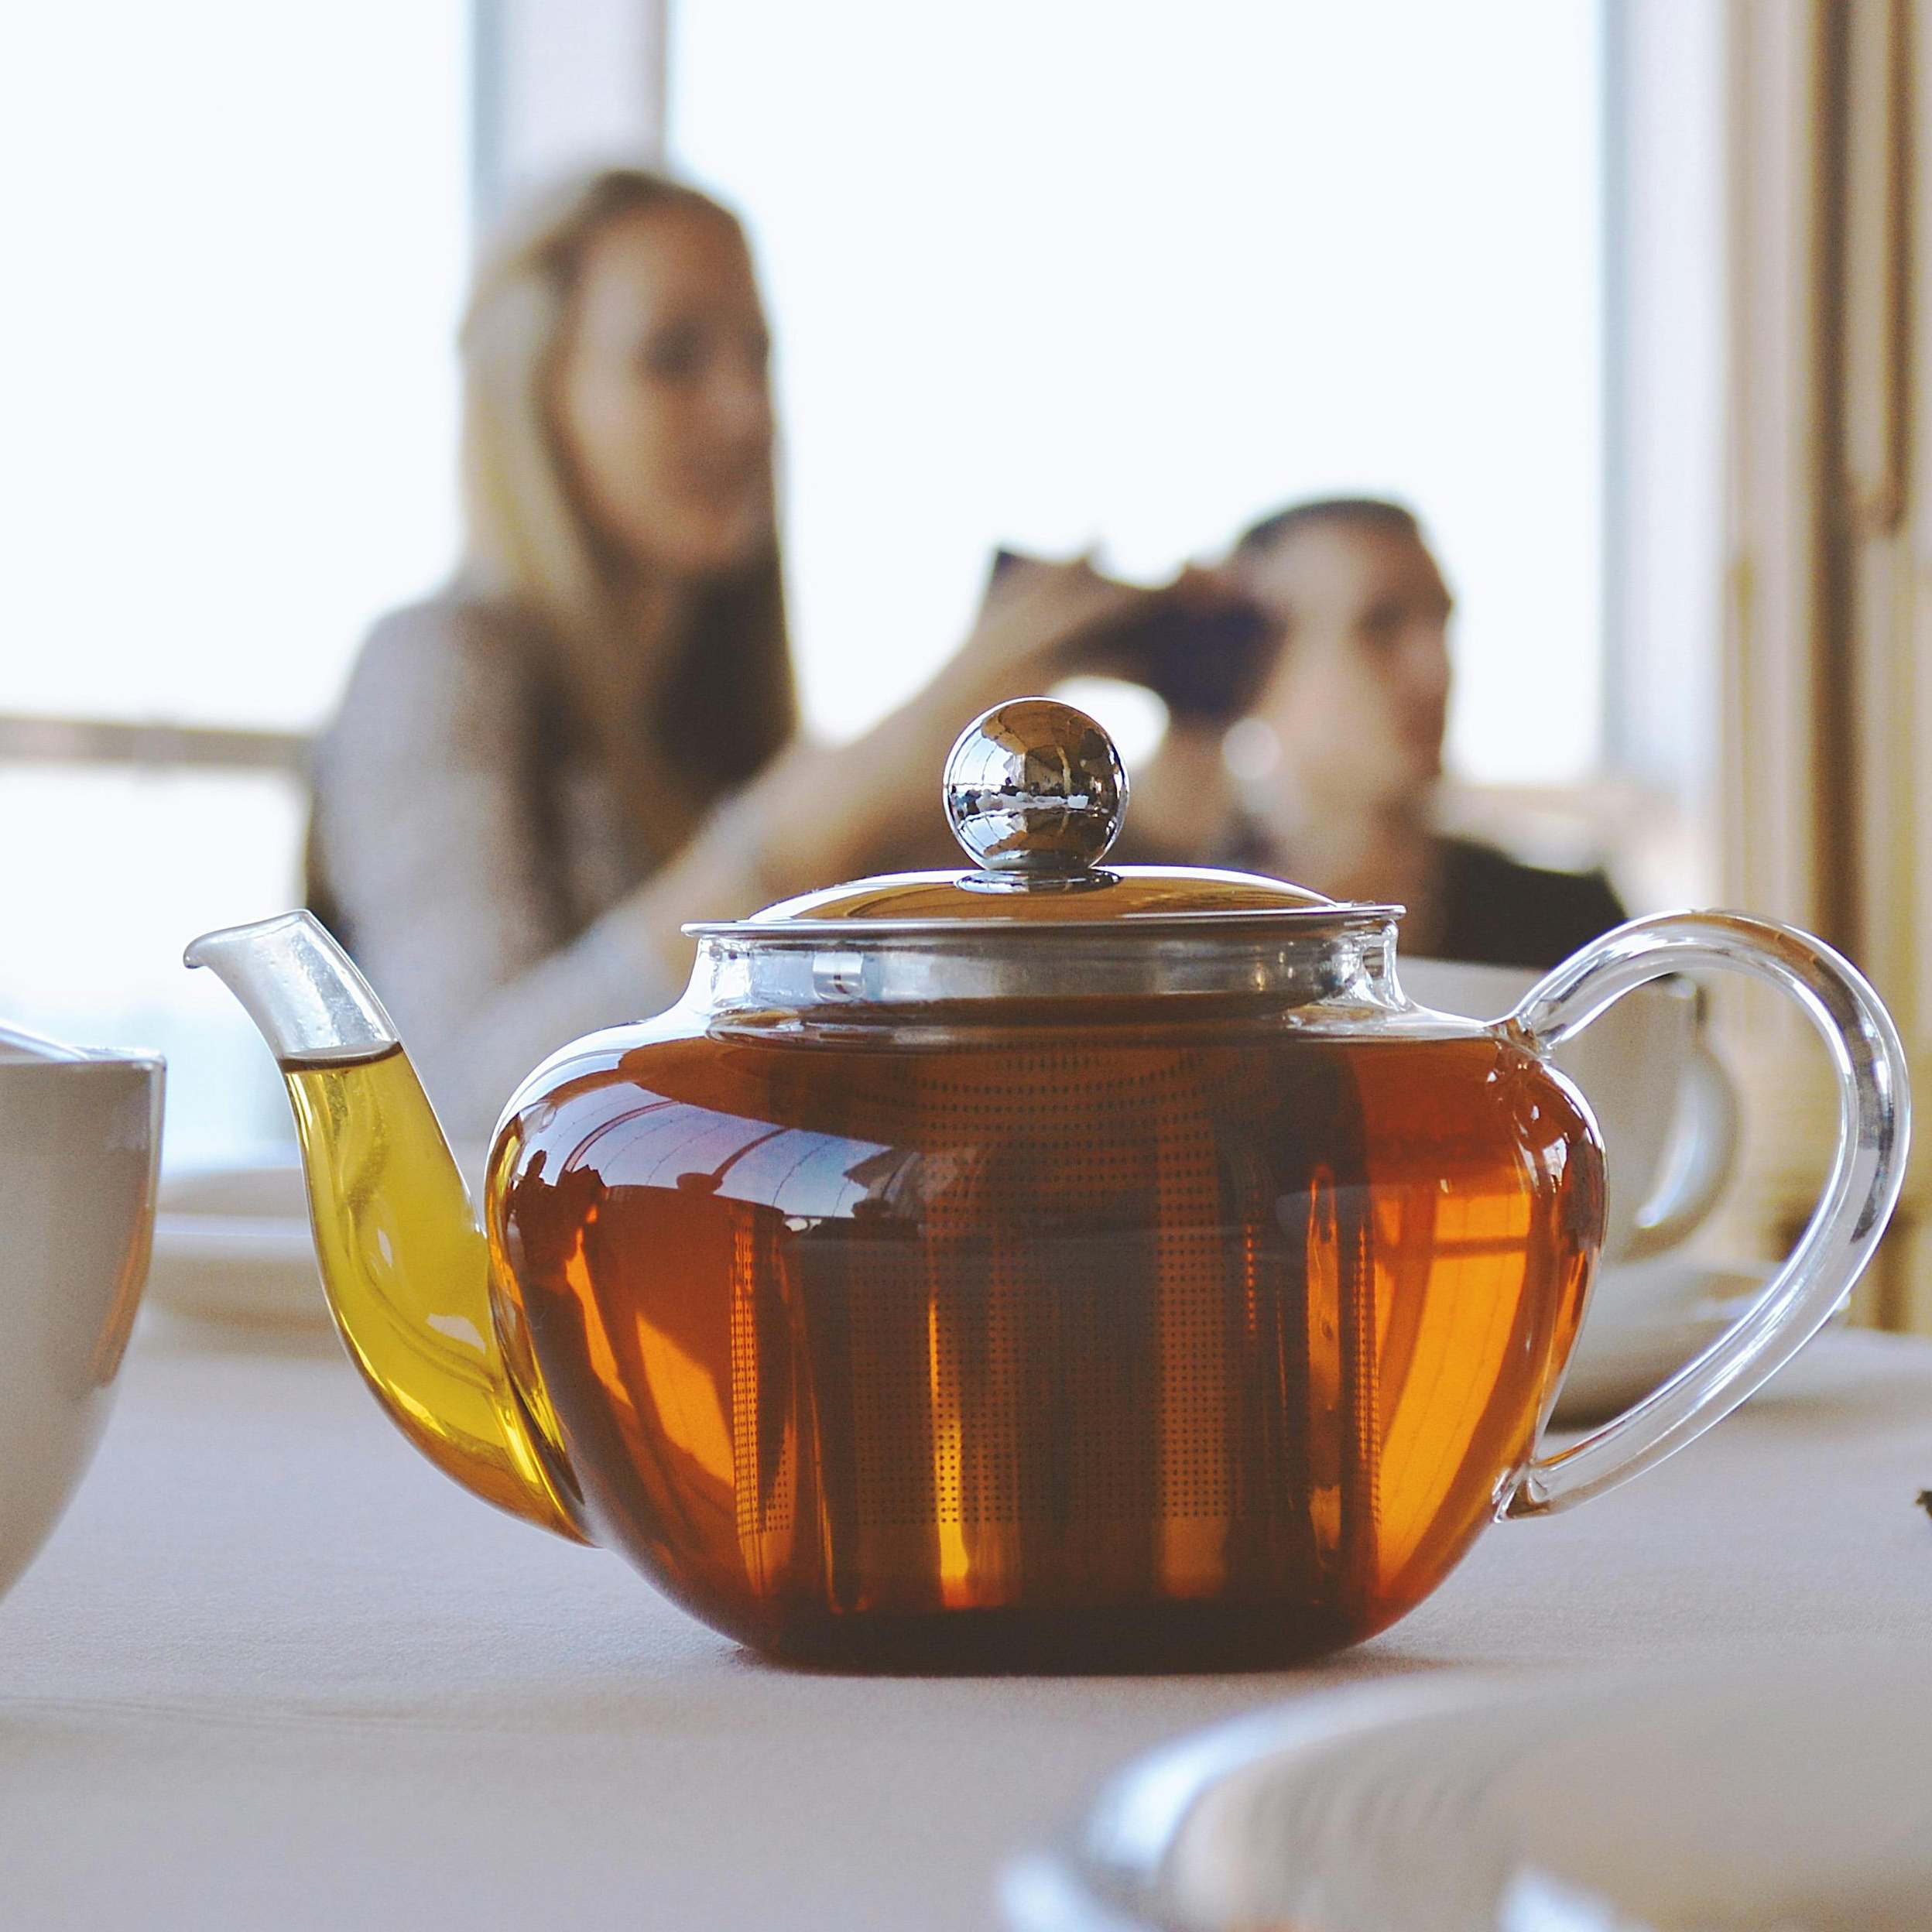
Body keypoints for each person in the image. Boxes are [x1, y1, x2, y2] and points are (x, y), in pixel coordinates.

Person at [307, 167, 1186, 1138]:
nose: (745, 413)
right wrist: (803, 830)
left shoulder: (711, 712)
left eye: (756, 357)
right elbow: (459, 1103)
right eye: (674, 357)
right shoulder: (436, 664)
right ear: (535, 393)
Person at [1201, 497, 1628, 968]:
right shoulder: (1182, 920)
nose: (1436, 669)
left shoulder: (1575, 930)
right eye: (1379, 625)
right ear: (1252, 665)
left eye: (1441, 623)